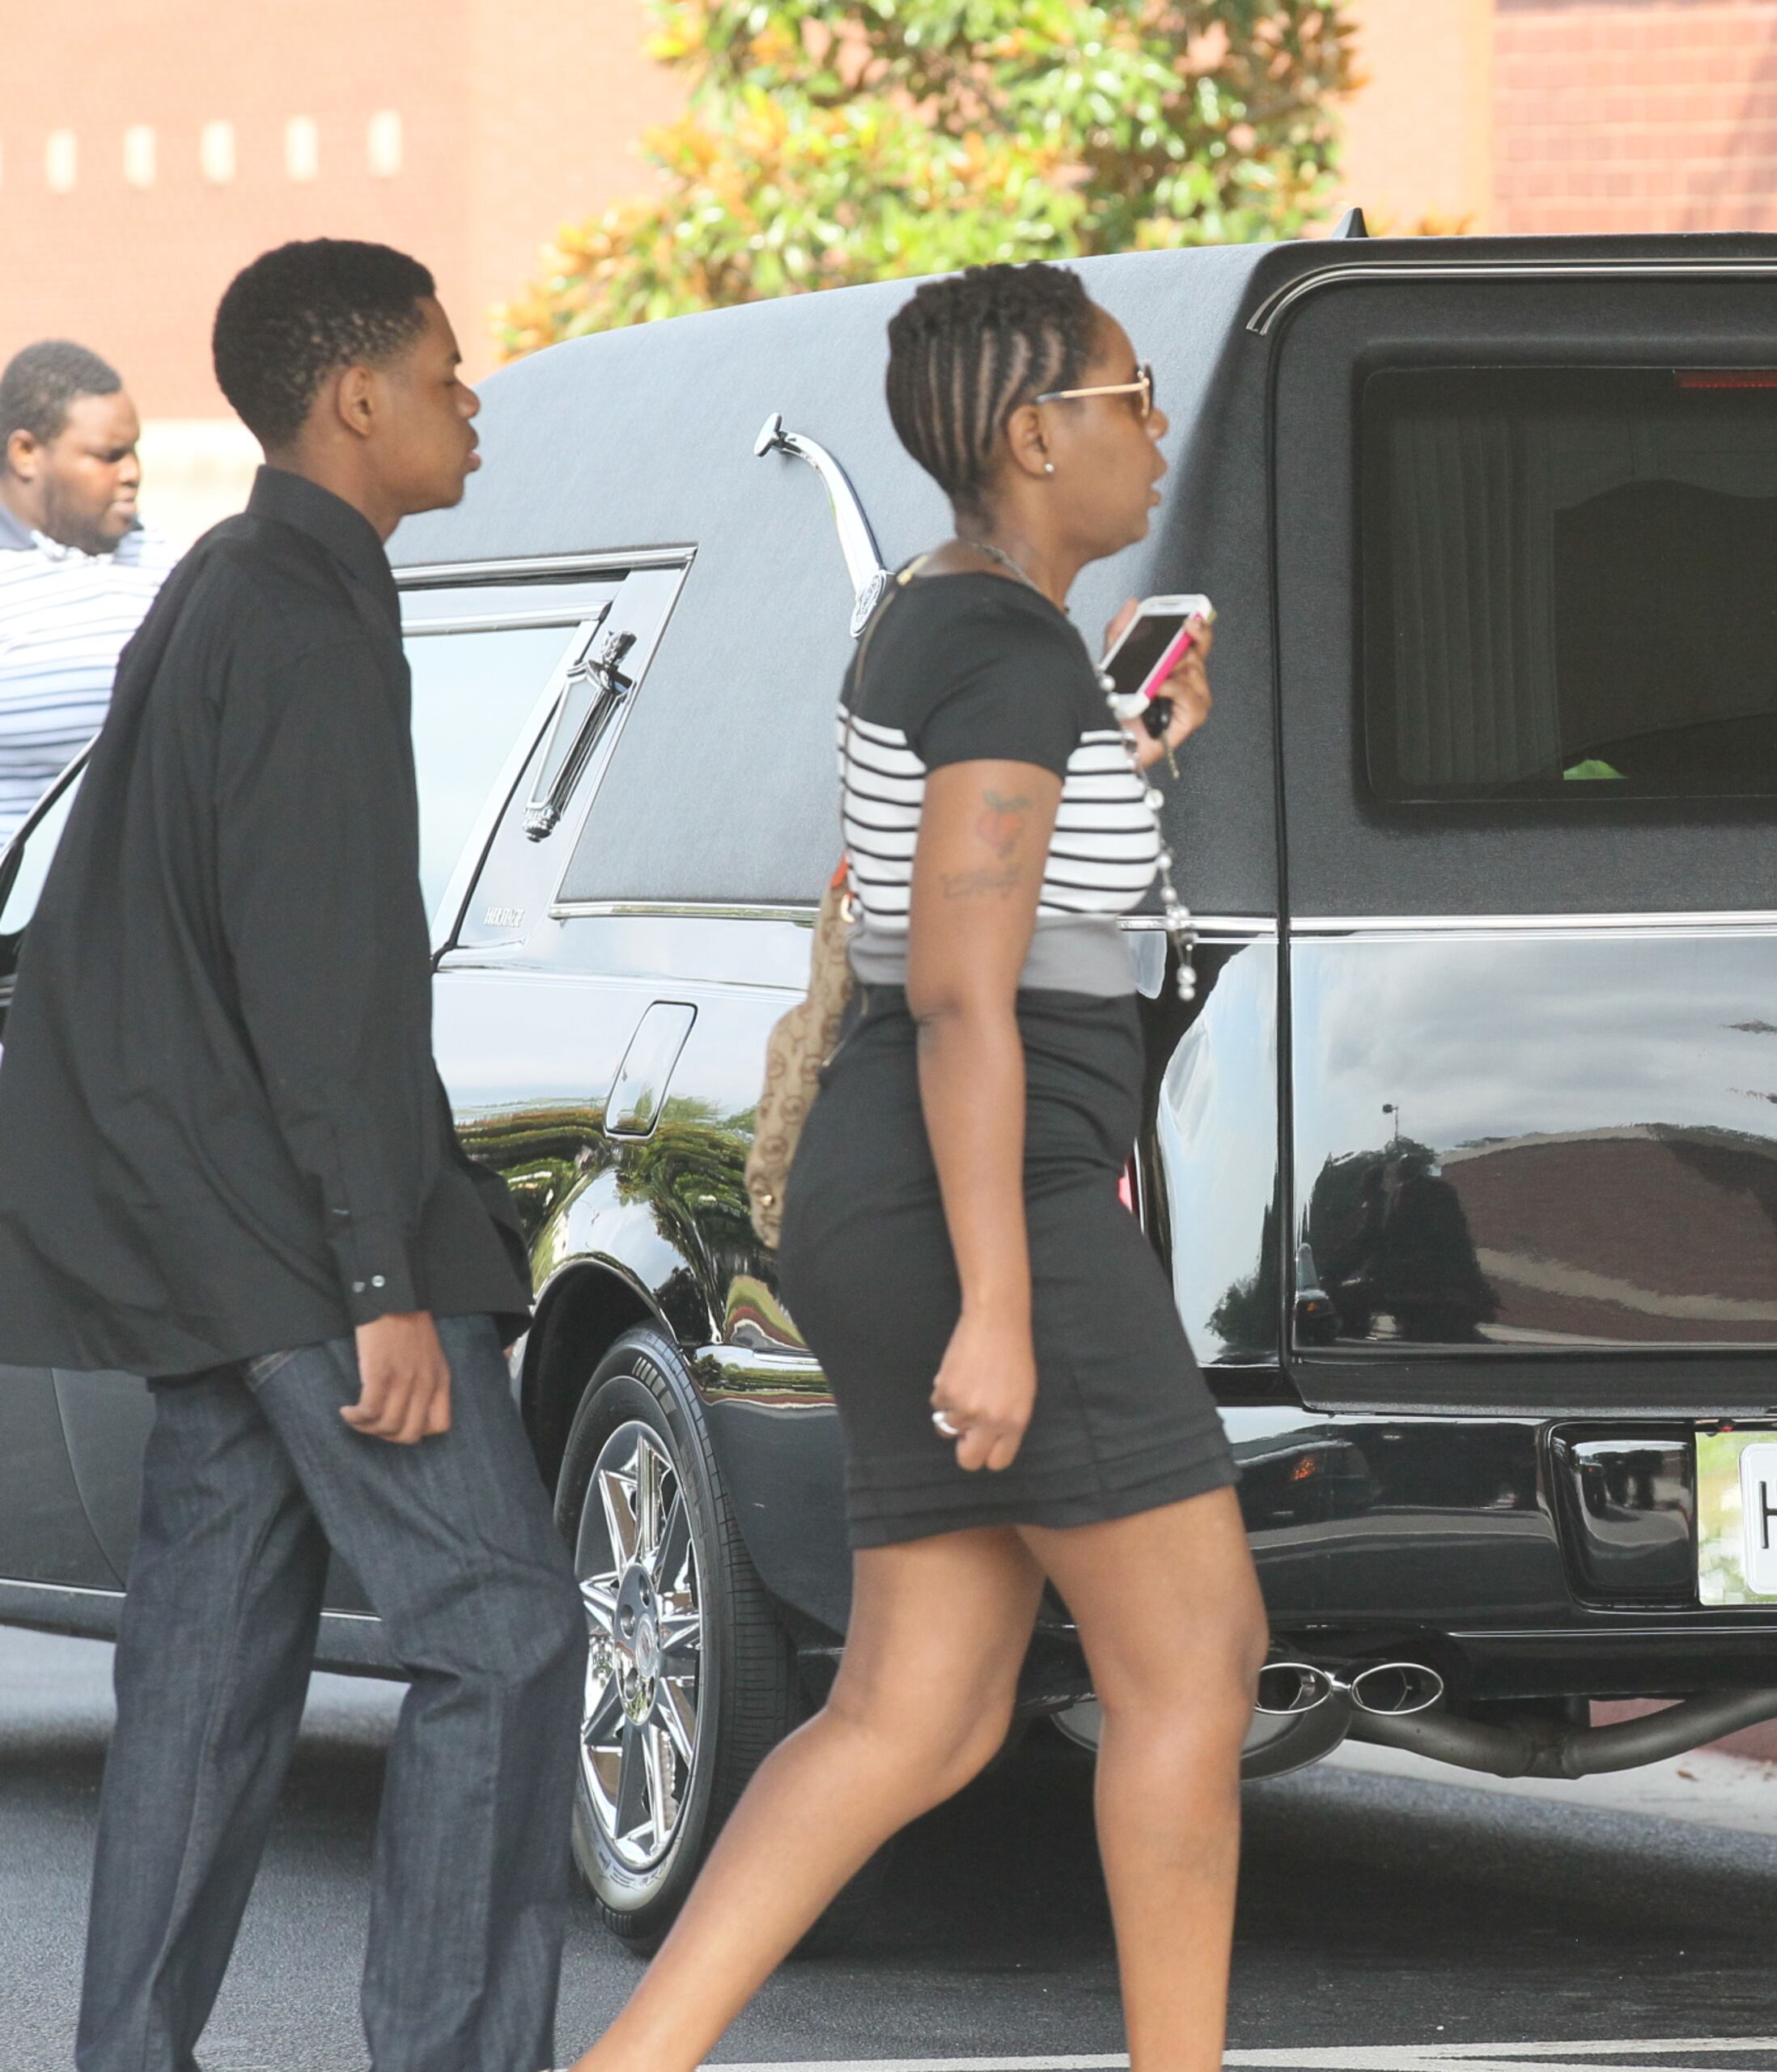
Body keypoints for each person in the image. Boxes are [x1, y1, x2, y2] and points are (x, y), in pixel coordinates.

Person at [570, 264, 1264, 2072]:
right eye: (1133, 397)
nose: (1157, 428)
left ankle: (625, 2061)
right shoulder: (996, 647)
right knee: (1194, 1661)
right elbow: (960, 992)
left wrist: (1114, 756)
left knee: (918, 1709)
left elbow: (971, 914)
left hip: (908, 1190)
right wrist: (1008, 1309)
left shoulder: (954, 627)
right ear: (1037, 437)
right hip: (986, 1198)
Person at [0, 241, 579, 2072]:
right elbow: (322, 985)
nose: (467, 395)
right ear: (356, 398)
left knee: (206, 1662)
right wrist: (380, 1279)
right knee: (500, 1627)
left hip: (208, 1224)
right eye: (445, 367)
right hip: (302, 1241)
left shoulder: (217, 588)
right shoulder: (308, 619)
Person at [0, 341, 178, 827]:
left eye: (135, 450)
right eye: (109, 455)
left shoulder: (168, 563)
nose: (132, 473)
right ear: (27, 453)